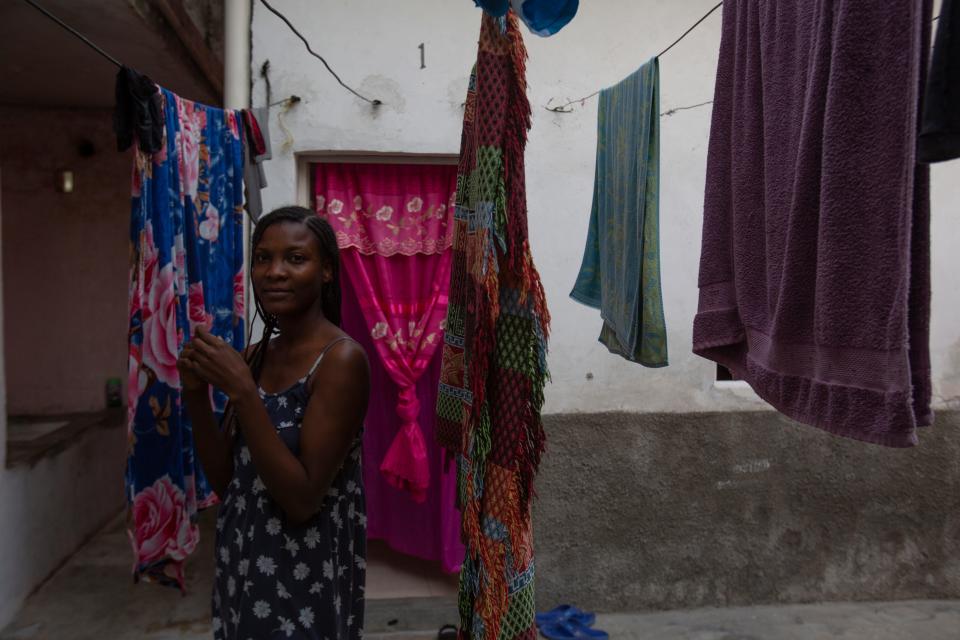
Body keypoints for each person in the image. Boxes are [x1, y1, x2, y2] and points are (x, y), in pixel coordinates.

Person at [178, 206, 370, 639]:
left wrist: (245, 393)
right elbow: (231, 484)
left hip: (304, 572)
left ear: (325, 272)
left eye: (295, 258)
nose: (274, 272)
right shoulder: (257, 356)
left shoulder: (340, 361)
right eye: (263, 258)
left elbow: (301, 500)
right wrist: (194, 392)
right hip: (244, 561)